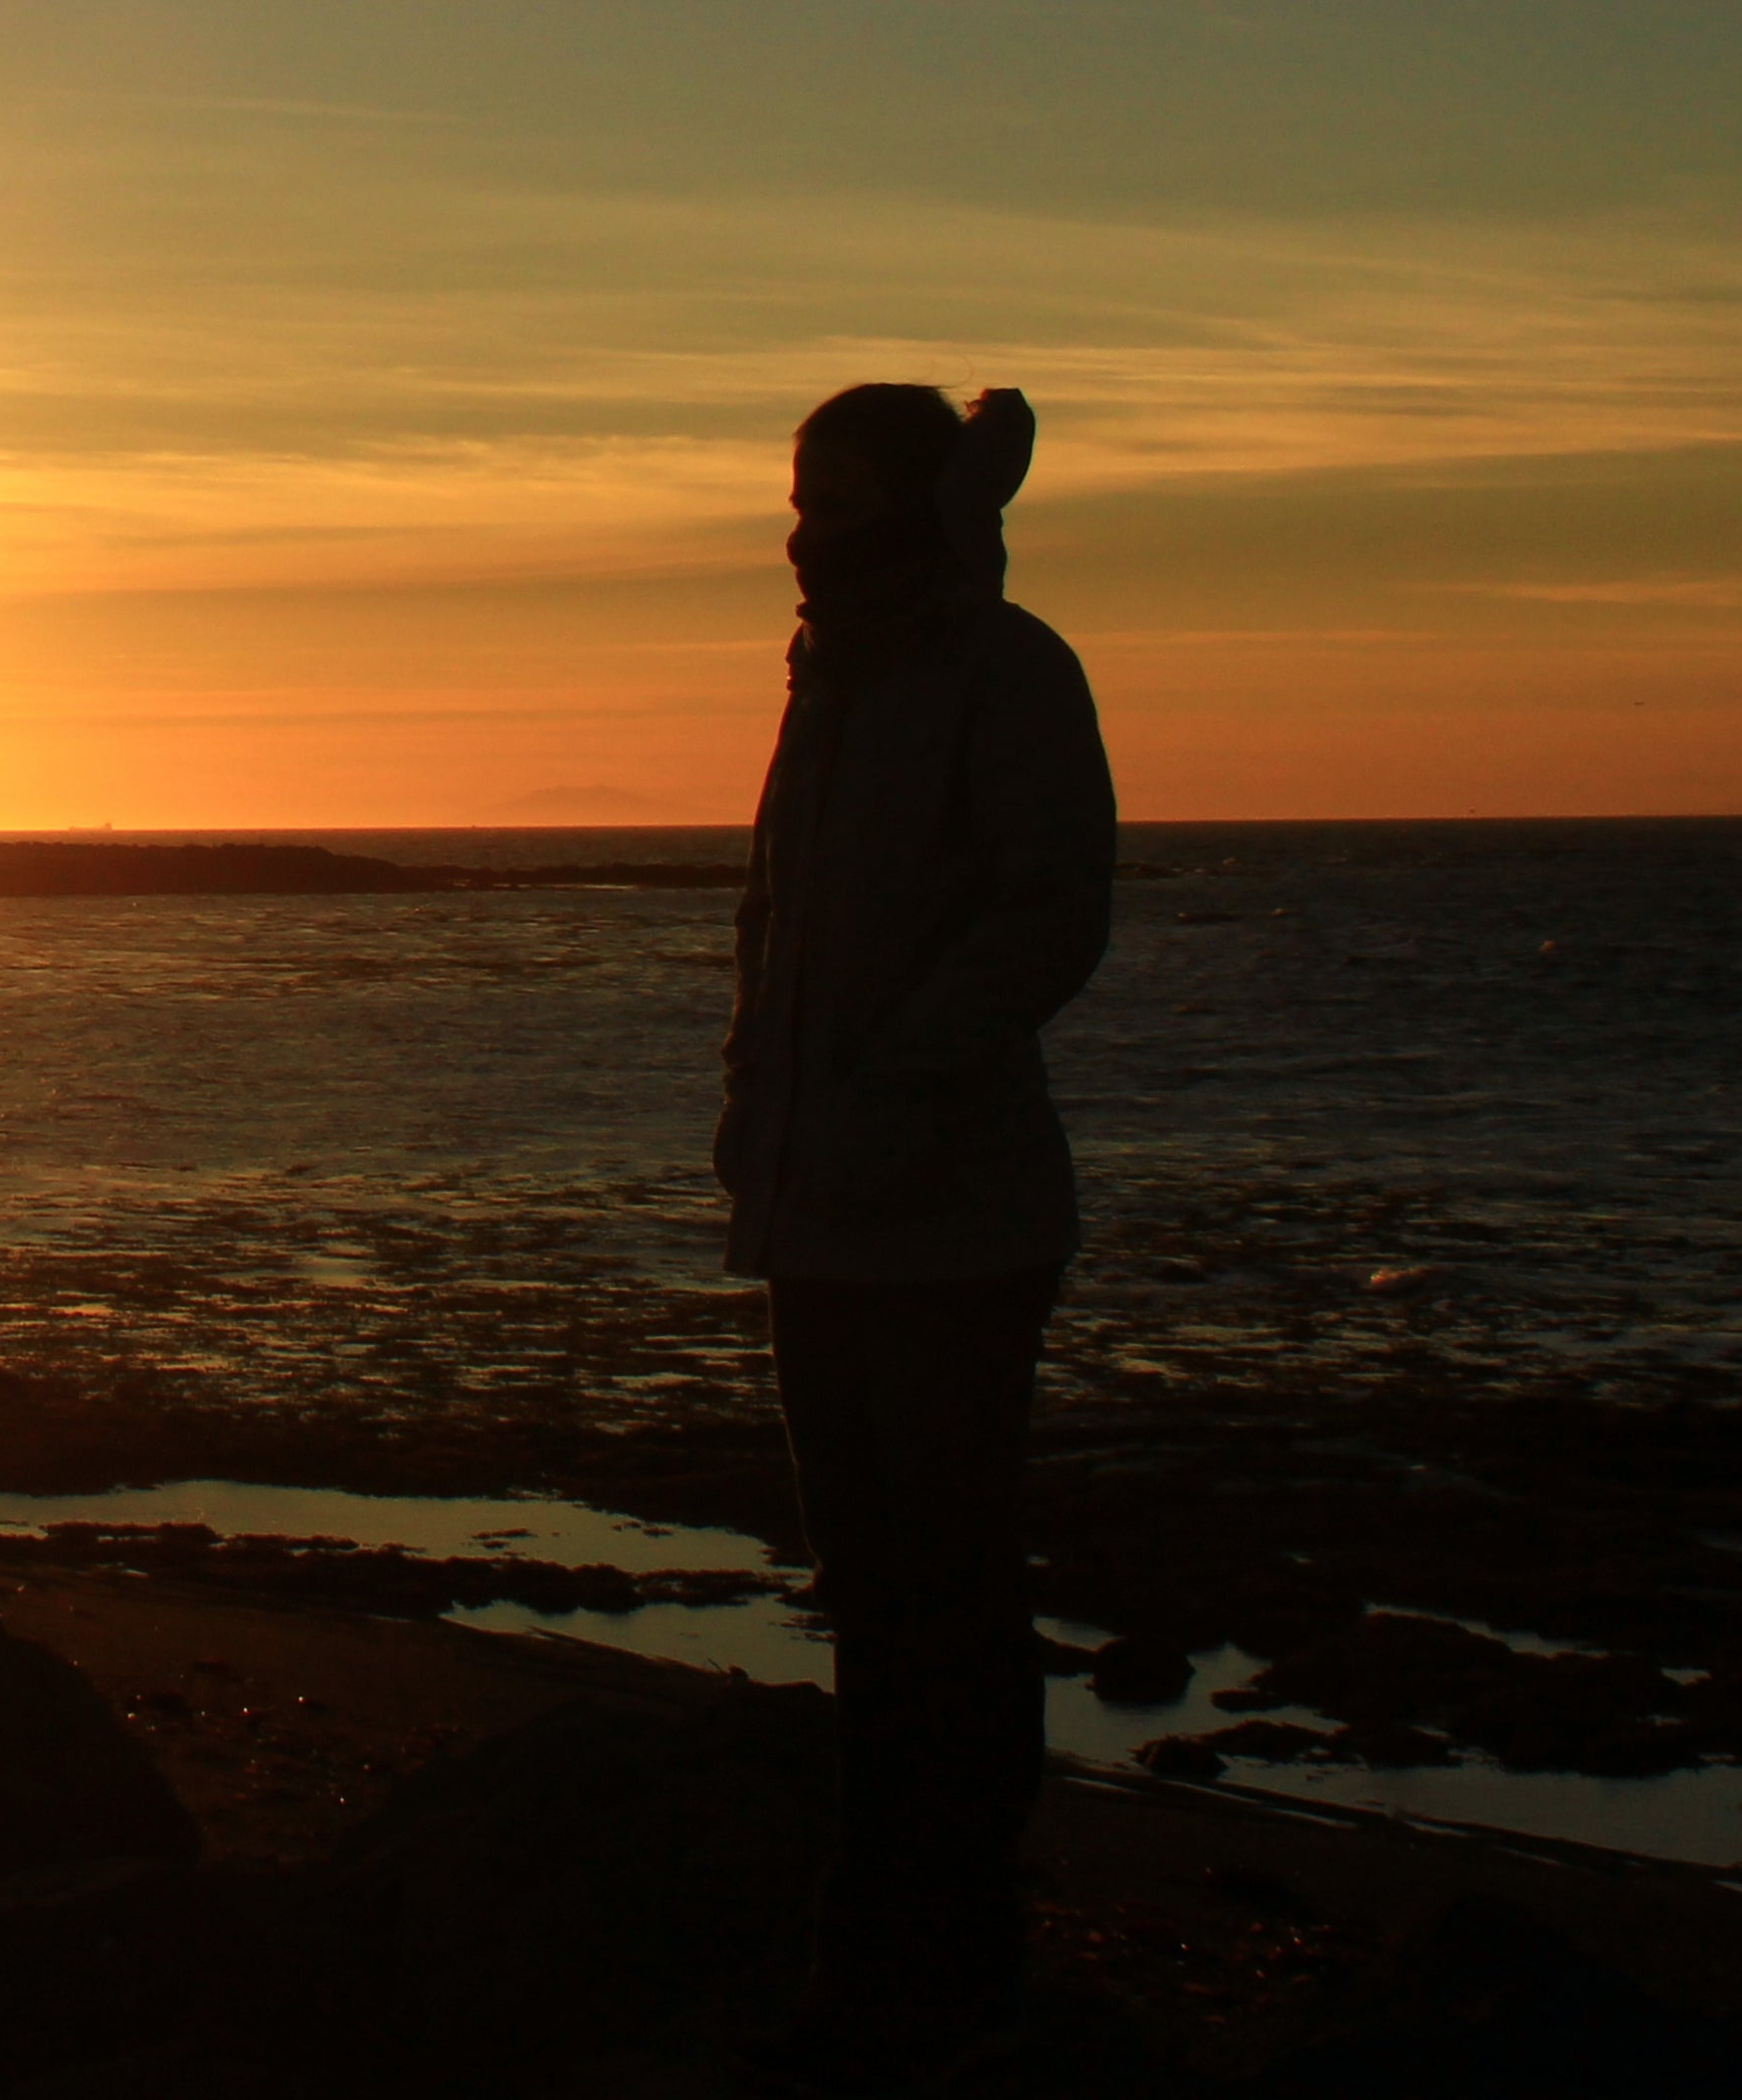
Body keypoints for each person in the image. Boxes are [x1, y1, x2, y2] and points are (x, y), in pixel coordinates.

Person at [717, 383, 1115, 2094]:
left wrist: (891, 1086)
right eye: (799, 495)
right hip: (816, 1217)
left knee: (950, 1598)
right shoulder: (828, 677)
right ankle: (874, 1961)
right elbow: (781, 925)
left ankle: (957, 1960)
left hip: (955, 1226)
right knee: (874, 1605)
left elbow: (1047, 912)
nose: (811, 528)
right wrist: (762, 1110)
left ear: (912, 497)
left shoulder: (1004, 669)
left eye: (841, 495)